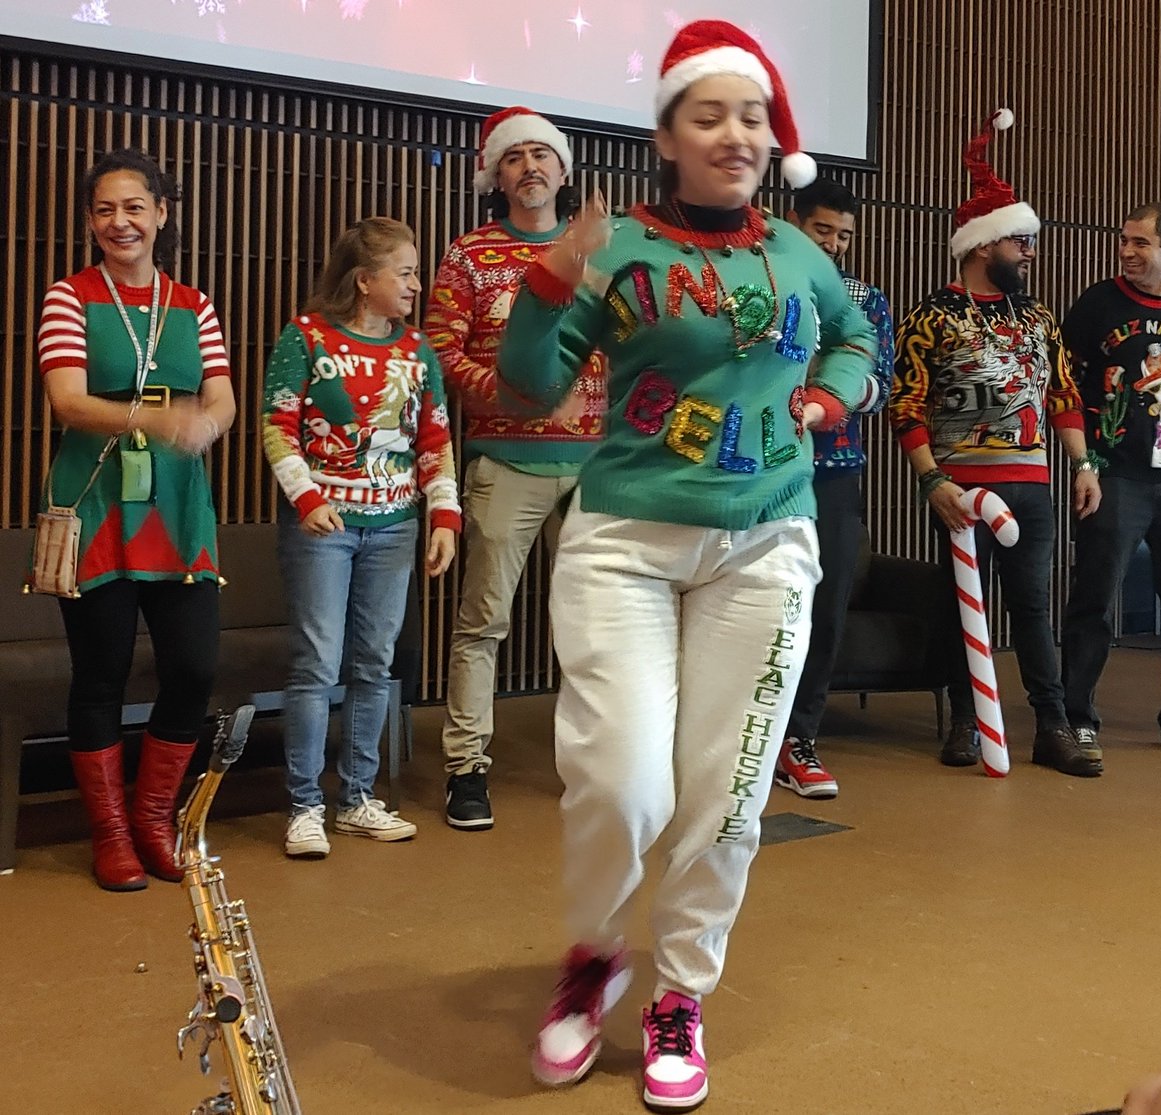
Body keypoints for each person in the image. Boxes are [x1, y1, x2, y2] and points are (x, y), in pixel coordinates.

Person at [497, 21, 876, 1110]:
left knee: (730, 794)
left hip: (764, 546)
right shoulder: (616, 247)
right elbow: (527, 383)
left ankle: (680, 993)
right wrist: (548, 281)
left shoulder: (802, 253)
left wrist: (827, 395)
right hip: (623, 543)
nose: (736, 135)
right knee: (621, 783)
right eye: (708, 116)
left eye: (751, 116)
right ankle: (593, 953)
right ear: (665, 133)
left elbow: (855, 337)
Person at [34, 148, 236, 891]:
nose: (120, 221)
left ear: (162, 213)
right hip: (96, 505)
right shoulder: (68, 296)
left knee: (194, 667)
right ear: (92, 222)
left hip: (179, 510)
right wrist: (157, 415)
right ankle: (111, 832)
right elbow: (68, 401)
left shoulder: (195, 303)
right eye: (104, 210)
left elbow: (223, 398)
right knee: (101, 675)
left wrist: (206, 426)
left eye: (133, 207)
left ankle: (154, 820)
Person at [890, 109, 1103, 777]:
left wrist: (1083, 463)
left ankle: (1052, 724)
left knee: (1034, 608)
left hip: (1033, 483)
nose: (1031, 255)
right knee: (966, 605)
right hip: (960, 487)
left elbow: (1065, 394)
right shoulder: (932, 315)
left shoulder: (1038, 317)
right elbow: (907, 404)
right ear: (986, 246)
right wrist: (931, 480)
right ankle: (967, 720)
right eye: (1022, 243)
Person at [423, 106, 606, 832]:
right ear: (495, 175)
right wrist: (505, 396)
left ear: (563, 170)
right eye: (514, 157)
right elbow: (438, 348)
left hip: (600, 467)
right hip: (504, 460)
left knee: (598, 626)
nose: (530, 167)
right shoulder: (469, 254)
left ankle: (597, 765)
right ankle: (467, 769)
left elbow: (635, 344)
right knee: (483, 623)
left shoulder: (603, 253)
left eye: (543, 155)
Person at [262, 217, 460, 858]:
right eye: (403, 272)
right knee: (317, 664)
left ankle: (356, 799)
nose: (415, 283)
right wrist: (307, 495)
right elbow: (277, 426)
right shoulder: (307, 338)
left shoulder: (416, 350)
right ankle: (305, 806)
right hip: (325, 527)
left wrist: (445, 517)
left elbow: (434, 437)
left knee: (375, 664)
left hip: (395, 525)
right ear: (364, 279)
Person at [1059, 204, 1161, 760]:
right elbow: (1064, 386)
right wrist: (1084, 463)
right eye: (1124, 241)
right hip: (1116, 474)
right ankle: (1076, 715)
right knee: (1094, 592)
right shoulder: (1098, 304)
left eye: (1141, 243)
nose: (1127, 251)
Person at [775, 177, 895, 799]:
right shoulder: (764, 284)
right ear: (792, 221)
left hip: (836, 475)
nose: (836, 245)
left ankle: (799, 740)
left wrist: (836, 389)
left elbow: (884, 387)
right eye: (823, 230)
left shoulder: (864, 300)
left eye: (845, 235)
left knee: (825, 610)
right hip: (761, 473)